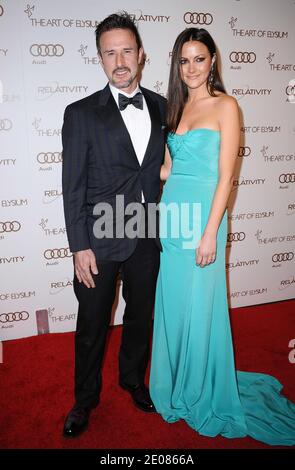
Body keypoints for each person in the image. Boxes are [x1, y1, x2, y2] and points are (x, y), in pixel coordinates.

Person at [149, 27, 295, 446]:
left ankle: (200, 389)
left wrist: (211, 232)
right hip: (174, 215)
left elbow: (227, 175)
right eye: (184, 60)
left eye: (199, 58)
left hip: (205, 220)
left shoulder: (226, 106)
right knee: (175, 304)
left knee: (200, 306)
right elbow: (167, 170)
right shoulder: (174, 108)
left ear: (213, 60)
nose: (191, 67)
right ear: (176, 65)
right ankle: (174, 382)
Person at [62, 12, 166, 438]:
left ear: (141, 55)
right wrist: (78, 244)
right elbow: (72, 185)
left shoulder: (162, 105)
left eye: (127, 50)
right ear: (100, 59)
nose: (119, 60)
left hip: (148, 229)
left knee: (141, 315)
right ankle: (84, 400)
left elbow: (168, 168)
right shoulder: (81, 113)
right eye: (110, 53)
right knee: (92, 324)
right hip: (100, 235)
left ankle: (132, 380)